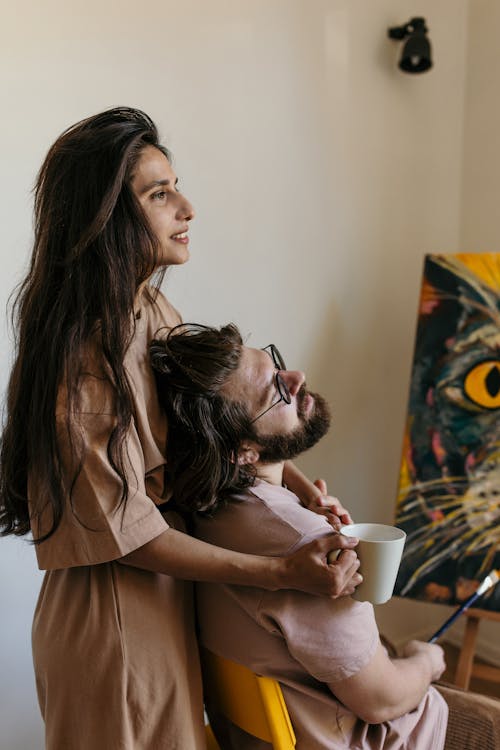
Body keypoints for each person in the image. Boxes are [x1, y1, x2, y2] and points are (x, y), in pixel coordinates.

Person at [0, 107, 361, 750]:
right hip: (113, 623)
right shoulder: (87, 359)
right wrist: (284, 574)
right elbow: (130, 535)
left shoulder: (147, 305)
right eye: (160, 194)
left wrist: (301, 493)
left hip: (159, 602)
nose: (186, 207)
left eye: (176, 186)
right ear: (106, 214)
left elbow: (218, 423)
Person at [150, 322, 452, 750]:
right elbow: (381, 702)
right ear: (244, 453)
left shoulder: (202, 508)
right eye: (275, 390)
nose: (297, 377)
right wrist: (427, 660)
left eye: (276, 363)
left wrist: (303, 493)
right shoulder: (311, 556)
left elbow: (256, 457)